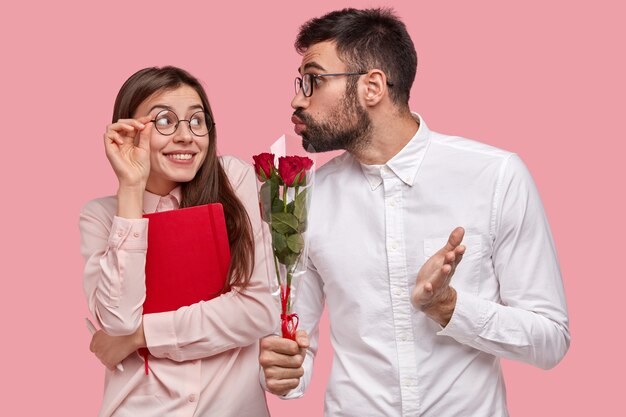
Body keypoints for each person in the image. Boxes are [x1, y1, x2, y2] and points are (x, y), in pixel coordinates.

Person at [259, 8, 570, 417]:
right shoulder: (306, 196)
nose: (297, 99)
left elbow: (550, 341)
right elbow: (298, 345)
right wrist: (286, 372)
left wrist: (449, 307)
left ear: (372, 87)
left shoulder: (495, 176)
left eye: (313, 80)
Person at [79, 66, 278, 417]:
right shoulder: (100, 216)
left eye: (197, 121)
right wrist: (130, 189)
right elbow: (118, 320)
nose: (187, 136)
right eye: (165, 121)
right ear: (128, 131)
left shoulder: (233, 178)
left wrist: (139, 338)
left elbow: (258, 310)